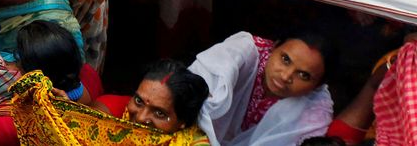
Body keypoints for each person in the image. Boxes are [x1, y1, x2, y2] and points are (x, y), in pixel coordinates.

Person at [188, 30, 335, 145]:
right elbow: (191, 94)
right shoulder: (242, 52)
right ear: (274, 46)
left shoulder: (315, 113)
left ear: (318, 85)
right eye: (285, 59)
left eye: (303, 75)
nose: (285, 76)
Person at [93, 59, 211, 142]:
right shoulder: (104, 116)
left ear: (182, 122)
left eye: (159, 113)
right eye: (139, 101)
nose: (140, 118)